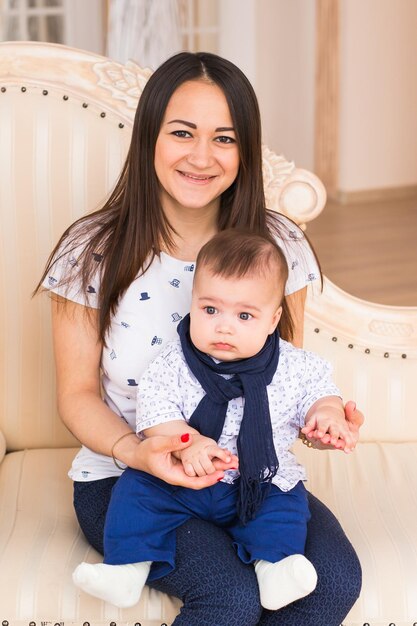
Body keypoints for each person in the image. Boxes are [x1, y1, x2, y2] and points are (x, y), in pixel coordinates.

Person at [37, 51, 362, 626]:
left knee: (332, 581)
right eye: (182, 132)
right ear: (149, 138)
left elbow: (279, 379)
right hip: (130, 479)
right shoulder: (90, 251)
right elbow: (76, 395)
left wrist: (321, 420)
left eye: (225, 138)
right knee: (231, 596)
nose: (201, 157)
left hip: (246, 475)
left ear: (246, 149)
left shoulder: (278, 247)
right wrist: (140, 451)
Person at [72, 230, 356, 612]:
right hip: (181, 476)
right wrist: (191, 443)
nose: (224, 326)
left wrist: (327, 416)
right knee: (136, 492)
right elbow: (157, 413)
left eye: (244, 315)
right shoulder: (174, 363)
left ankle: (276, 566)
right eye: (210, 310)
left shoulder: (294, 366)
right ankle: (127, 567)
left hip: (254, 480)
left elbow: (320, 394)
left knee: (285, 504)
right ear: (192, 304)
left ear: (273, 320)